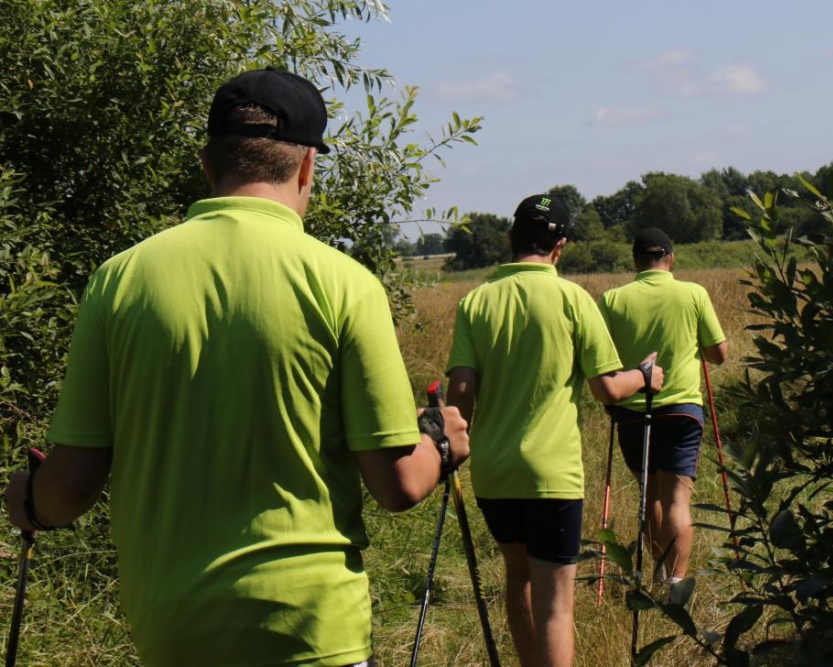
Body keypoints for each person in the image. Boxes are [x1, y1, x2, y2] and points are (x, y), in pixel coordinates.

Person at [3, 67, 469, 667]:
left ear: (208, 163)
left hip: (173, 633)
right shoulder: (346, 285)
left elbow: (70, 488)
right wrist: (441, 443)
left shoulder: (118, 281)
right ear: (307, 167)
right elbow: (399, 485)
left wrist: (31, 503)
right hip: (314, 630)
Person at [446, 195, 663, 667]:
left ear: (511, 237)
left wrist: (449, 446)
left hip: (494, 473)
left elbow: (460, 391)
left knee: (518, 576)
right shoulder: (572, 299)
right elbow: (608, 389)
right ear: (560, 246)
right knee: (556, 605)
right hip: (551, 475)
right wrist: (645, 376)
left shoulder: (475, 301)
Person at [598, 227, 728, 586]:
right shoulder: (693, 293)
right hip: (682, 409)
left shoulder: (612, 300)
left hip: (631, 410)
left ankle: (659, 573)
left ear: (635, 260)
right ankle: (676, 585)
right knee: (677, 498)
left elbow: (601, 360)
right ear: (671, 258)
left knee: (650, 493)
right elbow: (718, 354)